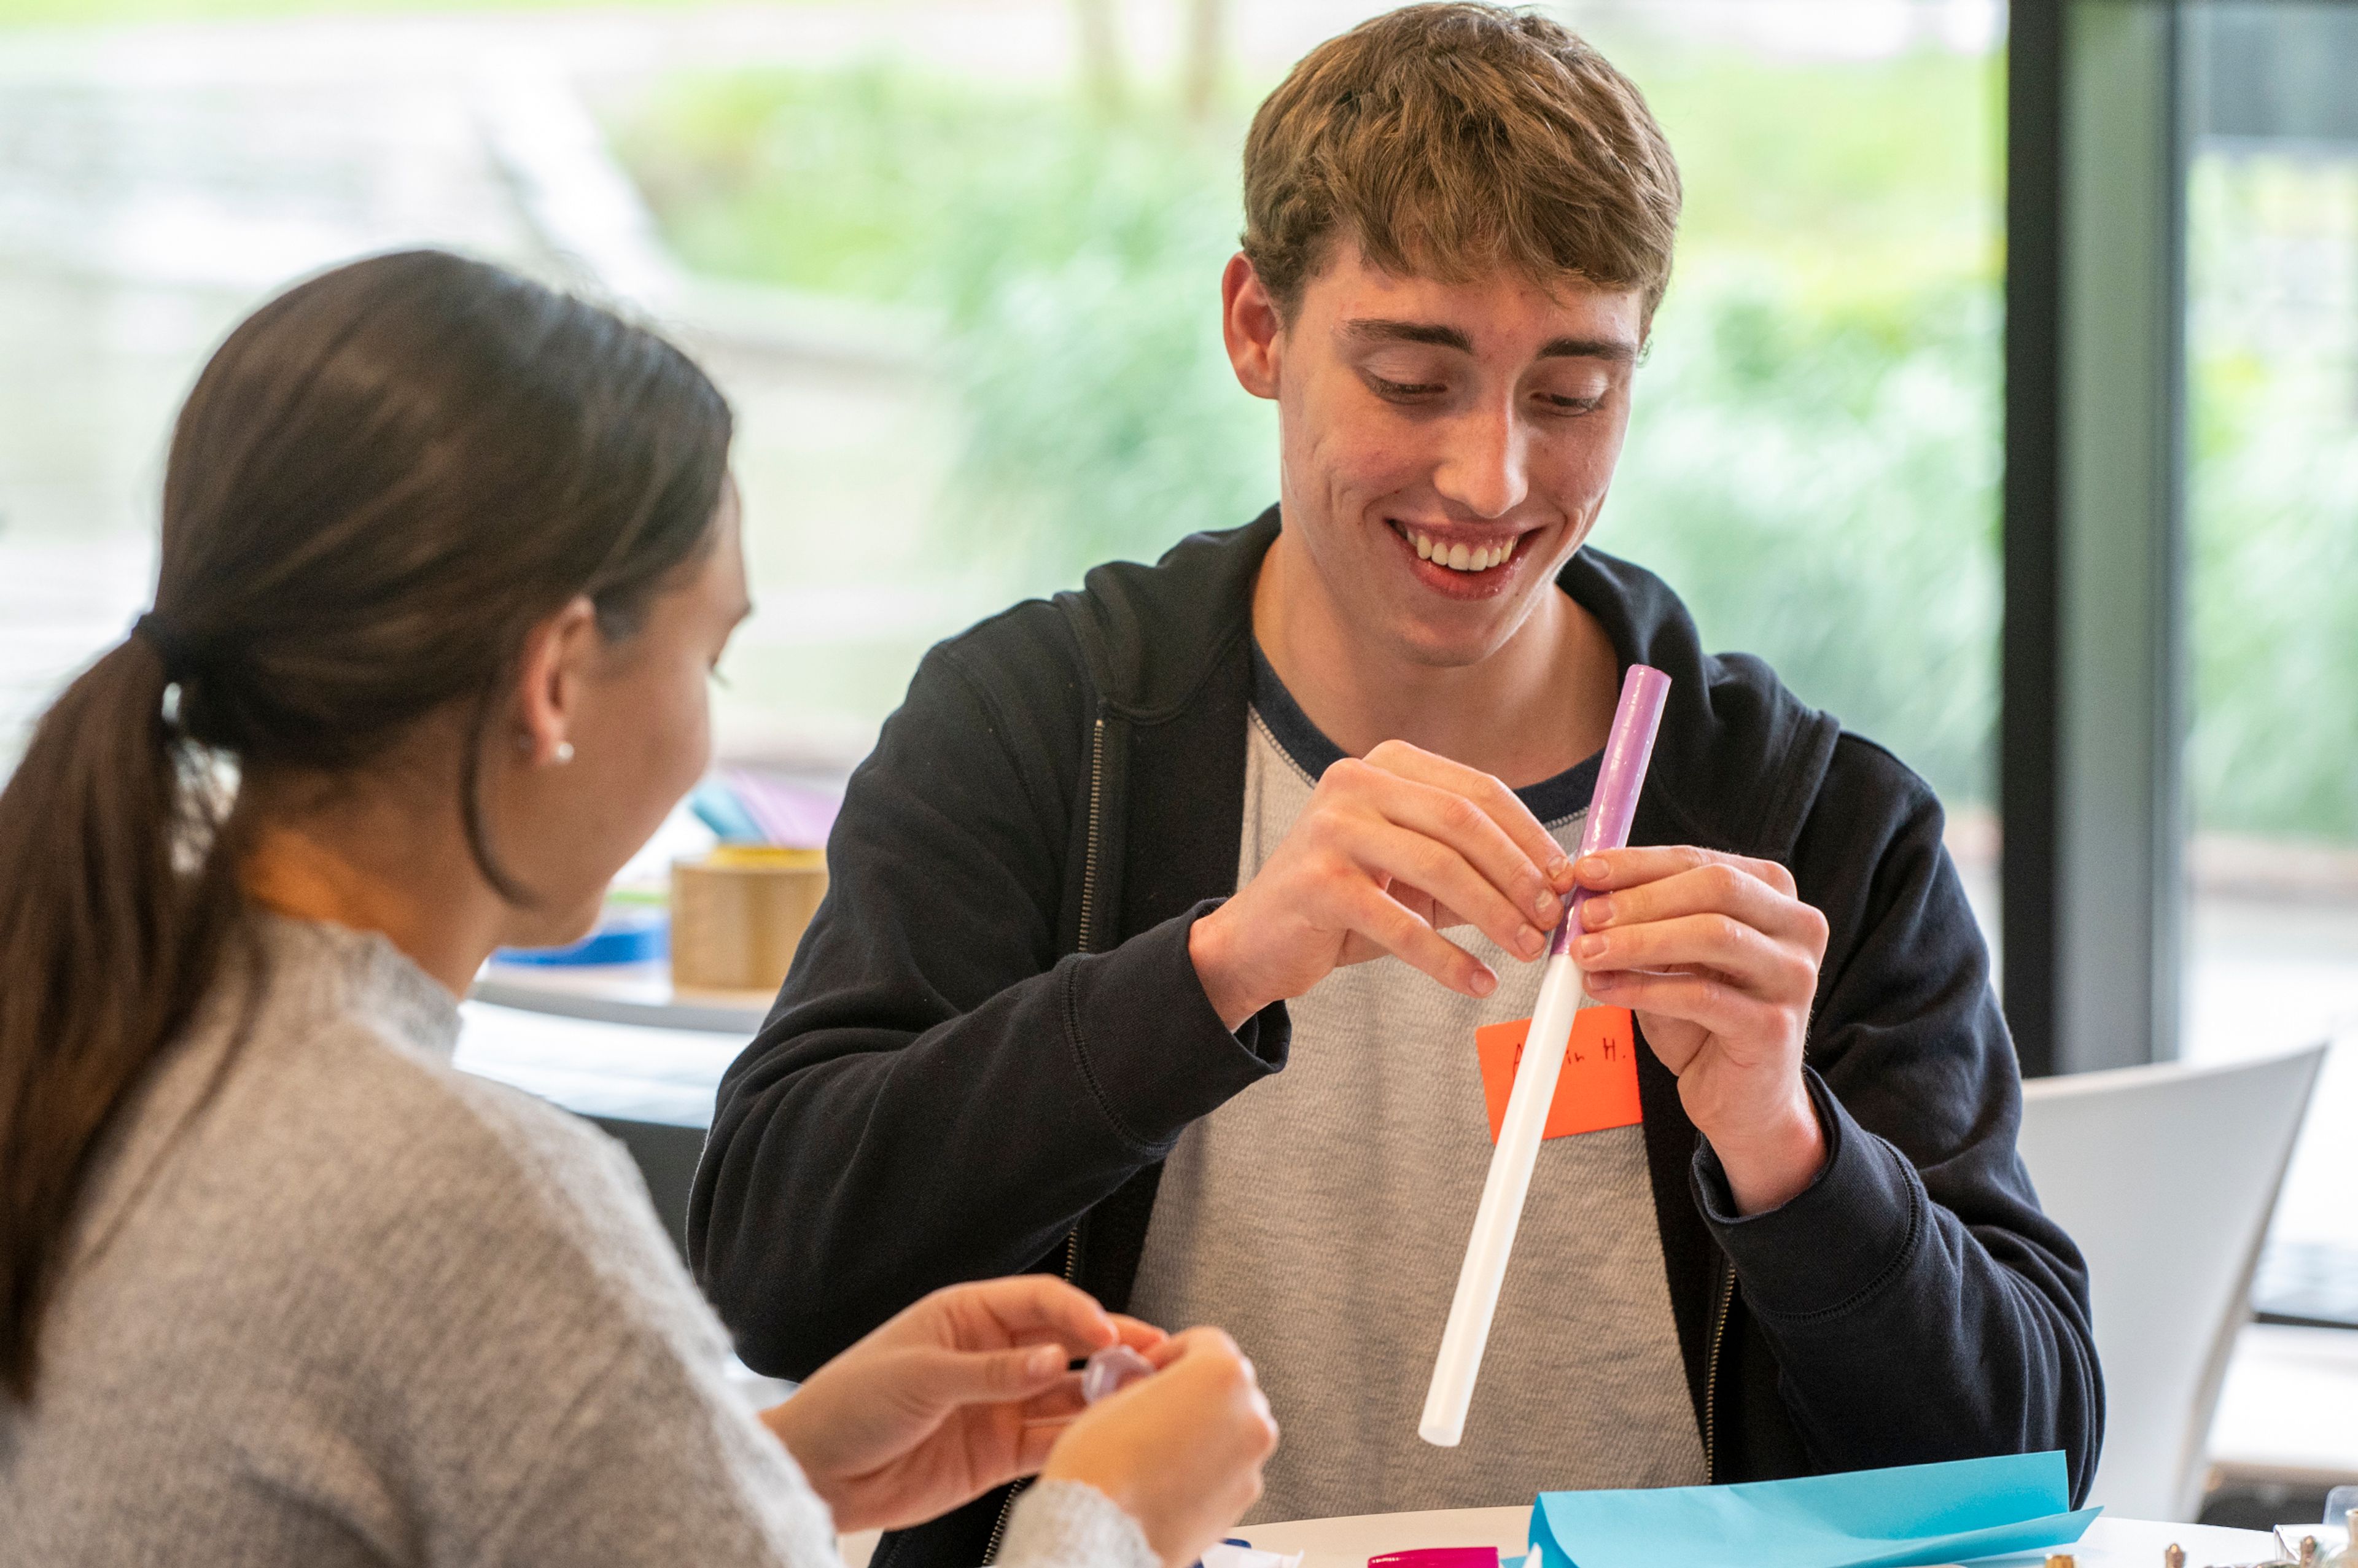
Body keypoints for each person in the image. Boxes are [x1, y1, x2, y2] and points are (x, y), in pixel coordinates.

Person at [690, 6, 2102, 1562]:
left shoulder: (1812, 819)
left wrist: (1787, 1142)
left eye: (1570, 395)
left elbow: (2029, 1459)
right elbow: (779, 1267)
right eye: (1415, 378)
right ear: (1255, 325)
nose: (1491, 478)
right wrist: (1216, 972)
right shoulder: (1047, 727)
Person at [0, 249, 1276, 1567]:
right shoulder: (460, 1194)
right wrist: (1110, 1516)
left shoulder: (99, 1039)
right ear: (554, 679)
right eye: (705, 657)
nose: (700, 738)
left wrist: (760, 1473)